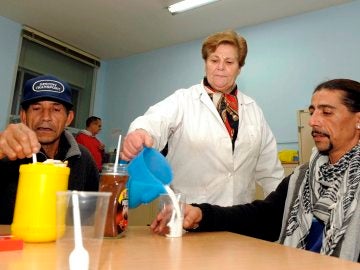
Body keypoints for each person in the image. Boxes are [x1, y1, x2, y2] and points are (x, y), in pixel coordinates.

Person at [151, 78, 360, 262]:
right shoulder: (304, 176)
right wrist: (201, 214)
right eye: (312, 111)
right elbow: (263, 218)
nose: (313, 121)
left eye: (327, 112)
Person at [121, 30, 284, 206]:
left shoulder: (254, 110)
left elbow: (271, 172)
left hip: (239, 218)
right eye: (214, 60)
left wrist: (281, 213)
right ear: (206, 63)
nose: (220, 67)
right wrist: (141, 133)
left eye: (229, 62)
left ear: (239, 68)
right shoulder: (183, 99)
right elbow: (155, 120)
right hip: (187, 217)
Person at [0, 75, 99, 224]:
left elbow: (92, 215)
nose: (46, 117)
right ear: (24, 116)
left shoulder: (83, 158)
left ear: (68, 118)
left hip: (64, 245)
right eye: (36, 108)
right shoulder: (7, 155)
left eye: (56, 109)